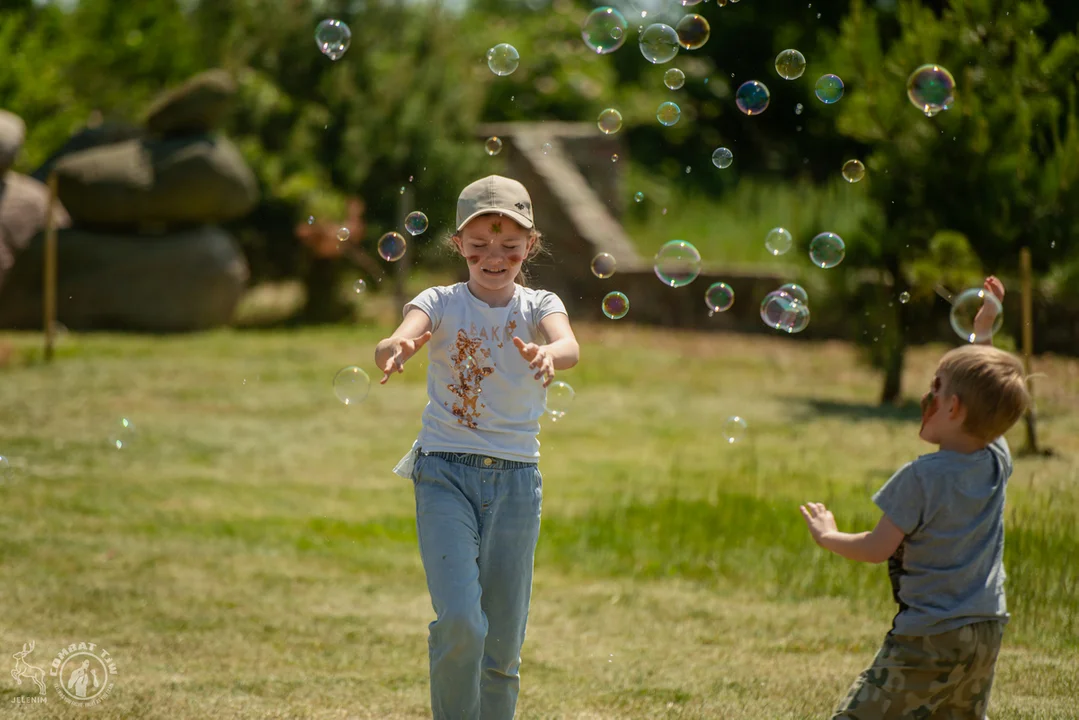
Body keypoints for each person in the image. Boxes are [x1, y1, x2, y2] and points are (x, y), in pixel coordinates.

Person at [374, 175, 580, 720]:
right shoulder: (439, 301)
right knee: (462, 620)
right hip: (443, 473)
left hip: (516, 483)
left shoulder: (540, 304)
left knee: (503, 646)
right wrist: (395, 345)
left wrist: (548, 354)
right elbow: (400, 333)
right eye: (481, 245)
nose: (495, 257)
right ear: (458, 245)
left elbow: (569, 344)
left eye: (510, 246)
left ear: (529, 248)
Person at [800, 276, 1030, 719]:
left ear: (954, 408)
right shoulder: (995, 458)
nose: (927, 395)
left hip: (929, 635)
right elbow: (989, 402)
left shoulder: (921, 477)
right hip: (986, 629)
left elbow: (876, 547)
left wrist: (829, 536)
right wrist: (984, 331)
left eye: (936, 388)